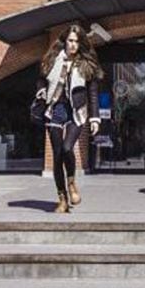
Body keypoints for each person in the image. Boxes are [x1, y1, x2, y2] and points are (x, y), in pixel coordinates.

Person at [36, 24, 102, 213]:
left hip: (76, 110)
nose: (73, 45)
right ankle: (62, 198)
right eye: (71, 41)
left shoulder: (86, 64)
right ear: (65, 41)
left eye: (77, 42)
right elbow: (41, 78)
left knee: (67, 148)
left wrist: (95, 118)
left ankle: (71, 182)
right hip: (55, 109)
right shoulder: (52, 59)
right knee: (57, 156)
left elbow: (93, 92)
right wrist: (41, 90)